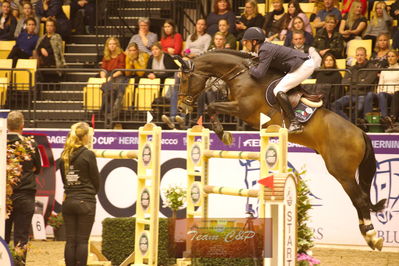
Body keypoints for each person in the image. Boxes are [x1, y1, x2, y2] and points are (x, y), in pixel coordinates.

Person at [242, 27, 317, 133]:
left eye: (246, 42)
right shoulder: (264, 48)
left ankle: (295, 123)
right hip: (301, 64)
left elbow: (259, 74)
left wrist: (249, 66)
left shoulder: (264, 50)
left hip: (303, 65)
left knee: (278, 90)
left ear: (254, 41)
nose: (245, 44)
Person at [60, 122, 99, 266]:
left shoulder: (64, 155)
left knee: (70, 240)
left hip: (69, 201)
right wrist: (91, 192)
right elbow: (96, 179)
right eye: (88, 134)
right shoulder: (88, 154)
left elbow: (65, 180)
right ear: (84, 137)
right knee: (82, 241)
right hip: (85, 201)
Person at [5, 111, 41, 263]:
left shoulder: (1, 142)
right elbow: (37, 168)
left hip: (4, 196)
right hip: (25, 194)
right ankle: (19, 263)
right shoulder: (30, 144)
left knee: (2, 235)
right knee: (21, 236)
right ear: (22, 125)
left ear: (7, 125)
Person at [331, 47, 379, 121]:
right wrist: (360, 81)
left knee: (359, 107)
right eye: (358, 55)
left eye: (361, 55)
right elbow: (344, 82)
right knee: (334, 105)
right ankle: (349, 123)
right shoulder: (351, 69)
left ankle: (352, 124)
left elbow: (366, 83)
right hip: (350, 94)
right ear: (355, 56)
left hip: (363, 95)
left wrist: (352, 81)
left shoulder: (372, 68)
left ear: (366, 56)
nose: (359, 57)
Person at [364, 50, 399, 126]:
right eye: (388, 56)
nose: (390, 58)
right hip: (383, 94)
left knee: (385, 94)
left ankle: (385, 118)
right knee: (373, 94)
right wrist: (379, 93)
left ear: (397, 57)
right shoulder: (384, 70)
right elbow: (380, 85)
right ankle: (368, 118)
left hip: (395, 95)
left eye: (392, 56)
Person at [100, 37, 126, 119]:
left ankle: (109, 114)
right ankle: (105, 114)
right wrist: (103, 77)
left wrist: (111, 76)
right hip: (109, 76)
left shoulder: (121, 55)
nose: (112, 46)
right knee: (106, 94)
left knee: (113, 92)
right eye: (110, 44)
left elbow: (121, 70)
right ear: (107, 46)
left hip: (118, 76)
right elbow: (103, 69)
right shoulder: (106, 56)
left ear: (117, 45)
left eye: (113, 44)